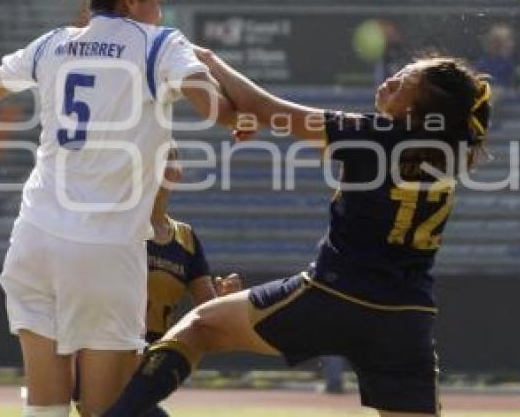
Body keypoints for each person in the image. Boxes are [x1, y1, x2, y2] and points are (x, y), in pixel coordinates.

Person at [0, 0, 237, 417]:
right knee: (103, 412)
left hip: (35, 241)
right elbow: (213, 107)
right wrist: (239, 115)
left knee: (43, 408)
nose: (161, 9)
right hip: (103, 250)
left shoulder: (51, 43)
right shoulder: (160, 45)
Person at [104, 52, 492, 417]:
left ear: (415, 110)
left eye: (405, 79)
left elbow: (264, 108)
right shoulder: (446, 154)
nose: (391, 79)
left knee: (200, 327)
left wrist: (207, 60)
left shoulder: (375, 137)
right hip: (407, 321)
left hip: (334, 297)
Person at [72, 143, 241, 417]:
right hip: (105, 360)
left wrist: (225, 302)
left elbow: (206, 314)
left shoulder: (185, 239)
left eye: (170, 157)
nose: (163, 164)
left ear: (178, 173)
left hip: (146, 371)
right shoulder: (118, 226)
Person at [476, 23, 517, 91]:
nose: (511, 44)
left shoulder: (509, 64)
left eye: (510, 39)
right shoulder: (483, 67)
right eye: (505, 40)